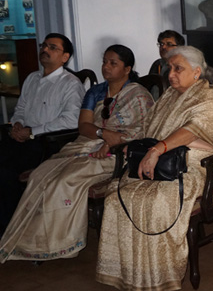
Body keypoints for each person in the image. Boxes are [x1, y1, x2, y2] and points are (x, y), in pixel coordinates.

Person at [96, 46, 213, 291]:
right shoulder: (168, 97)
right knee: (117, 197)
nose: (171, 74)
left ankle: (158, 276)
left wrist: (158, 149)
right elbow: (146, 128)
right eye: (170, 68)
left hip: (199, 165)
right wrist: (124, 143)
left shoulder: (211, 100)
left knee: (157, 200)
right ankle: (129, 272)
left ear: (197, 72)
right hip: (158, 161)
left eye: (179, 69)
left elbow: (193, 131)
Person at [0, 45, 153, 262]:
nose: (106, 67)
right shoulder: (96, 91)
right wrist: (103, 133)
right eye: (105, 61)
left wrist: (111, 142)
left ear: (127, 69)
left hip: (117, 154)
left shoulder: (138, 95)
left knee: (65, 181)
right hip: (84, 145)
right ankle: (30, 238)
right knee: (39, 175)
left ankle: (55, 244)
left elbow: (144, 130)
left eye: (113, 63)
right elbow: (84, 127)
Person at [0, 33, 86, 232]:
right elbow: (20, 108)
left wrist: (32, 132)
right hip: (21, 137)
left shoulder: (70, 84)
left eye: (53, 47)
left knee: (4, 173)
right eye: (44, 46)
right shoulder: (32, 78)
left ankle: (11, 227)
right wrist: (17, 124)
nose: (45, 50)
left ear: (65, 57)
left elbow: (71, 120)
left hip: (45, 143)